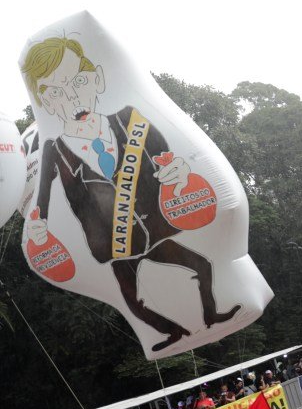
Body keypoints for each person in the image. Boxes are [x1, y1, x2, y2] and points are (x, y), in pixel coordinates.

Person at [21, 37, 241, 352]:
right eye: (56, 92)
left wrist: (178, 175)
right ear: (46, 102)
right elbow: (41, 200)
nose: (72, 99)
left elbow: (168, 157)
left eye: (78, 82)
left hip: (152, 231)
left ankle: (211, 314)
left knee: (201, 265)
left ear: (96, 79)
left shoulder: (130, 120)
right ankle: (172, 331)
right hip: (114, 244)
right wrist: (38, 225)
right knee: (131, 297)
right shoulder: (53, 150)